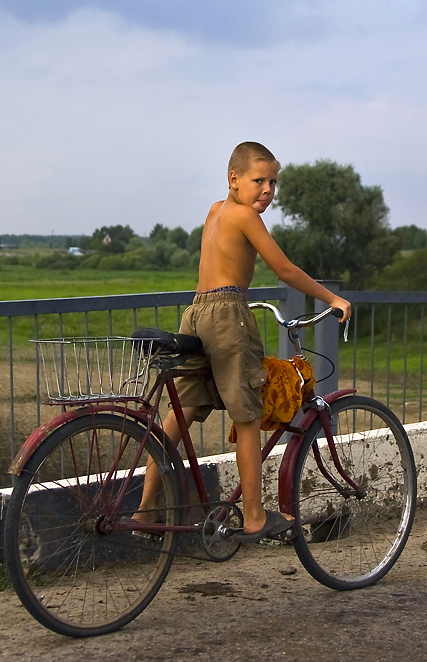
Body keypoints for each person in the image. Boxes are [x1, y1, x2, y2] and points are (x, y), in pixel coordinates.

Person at [134, 141, 351, 542]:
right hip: (228, 313)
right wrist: (332, 298)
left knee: (178, 416)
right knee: (248, 416)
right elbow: (284, 270)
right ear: (233, 179)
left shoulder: (215, 210)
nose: (267, 190)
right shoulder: (246, 217)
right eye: (258, 181)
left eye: (273, 182)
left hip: (195, 312)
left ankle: (146, 510)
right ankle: (254, 516)